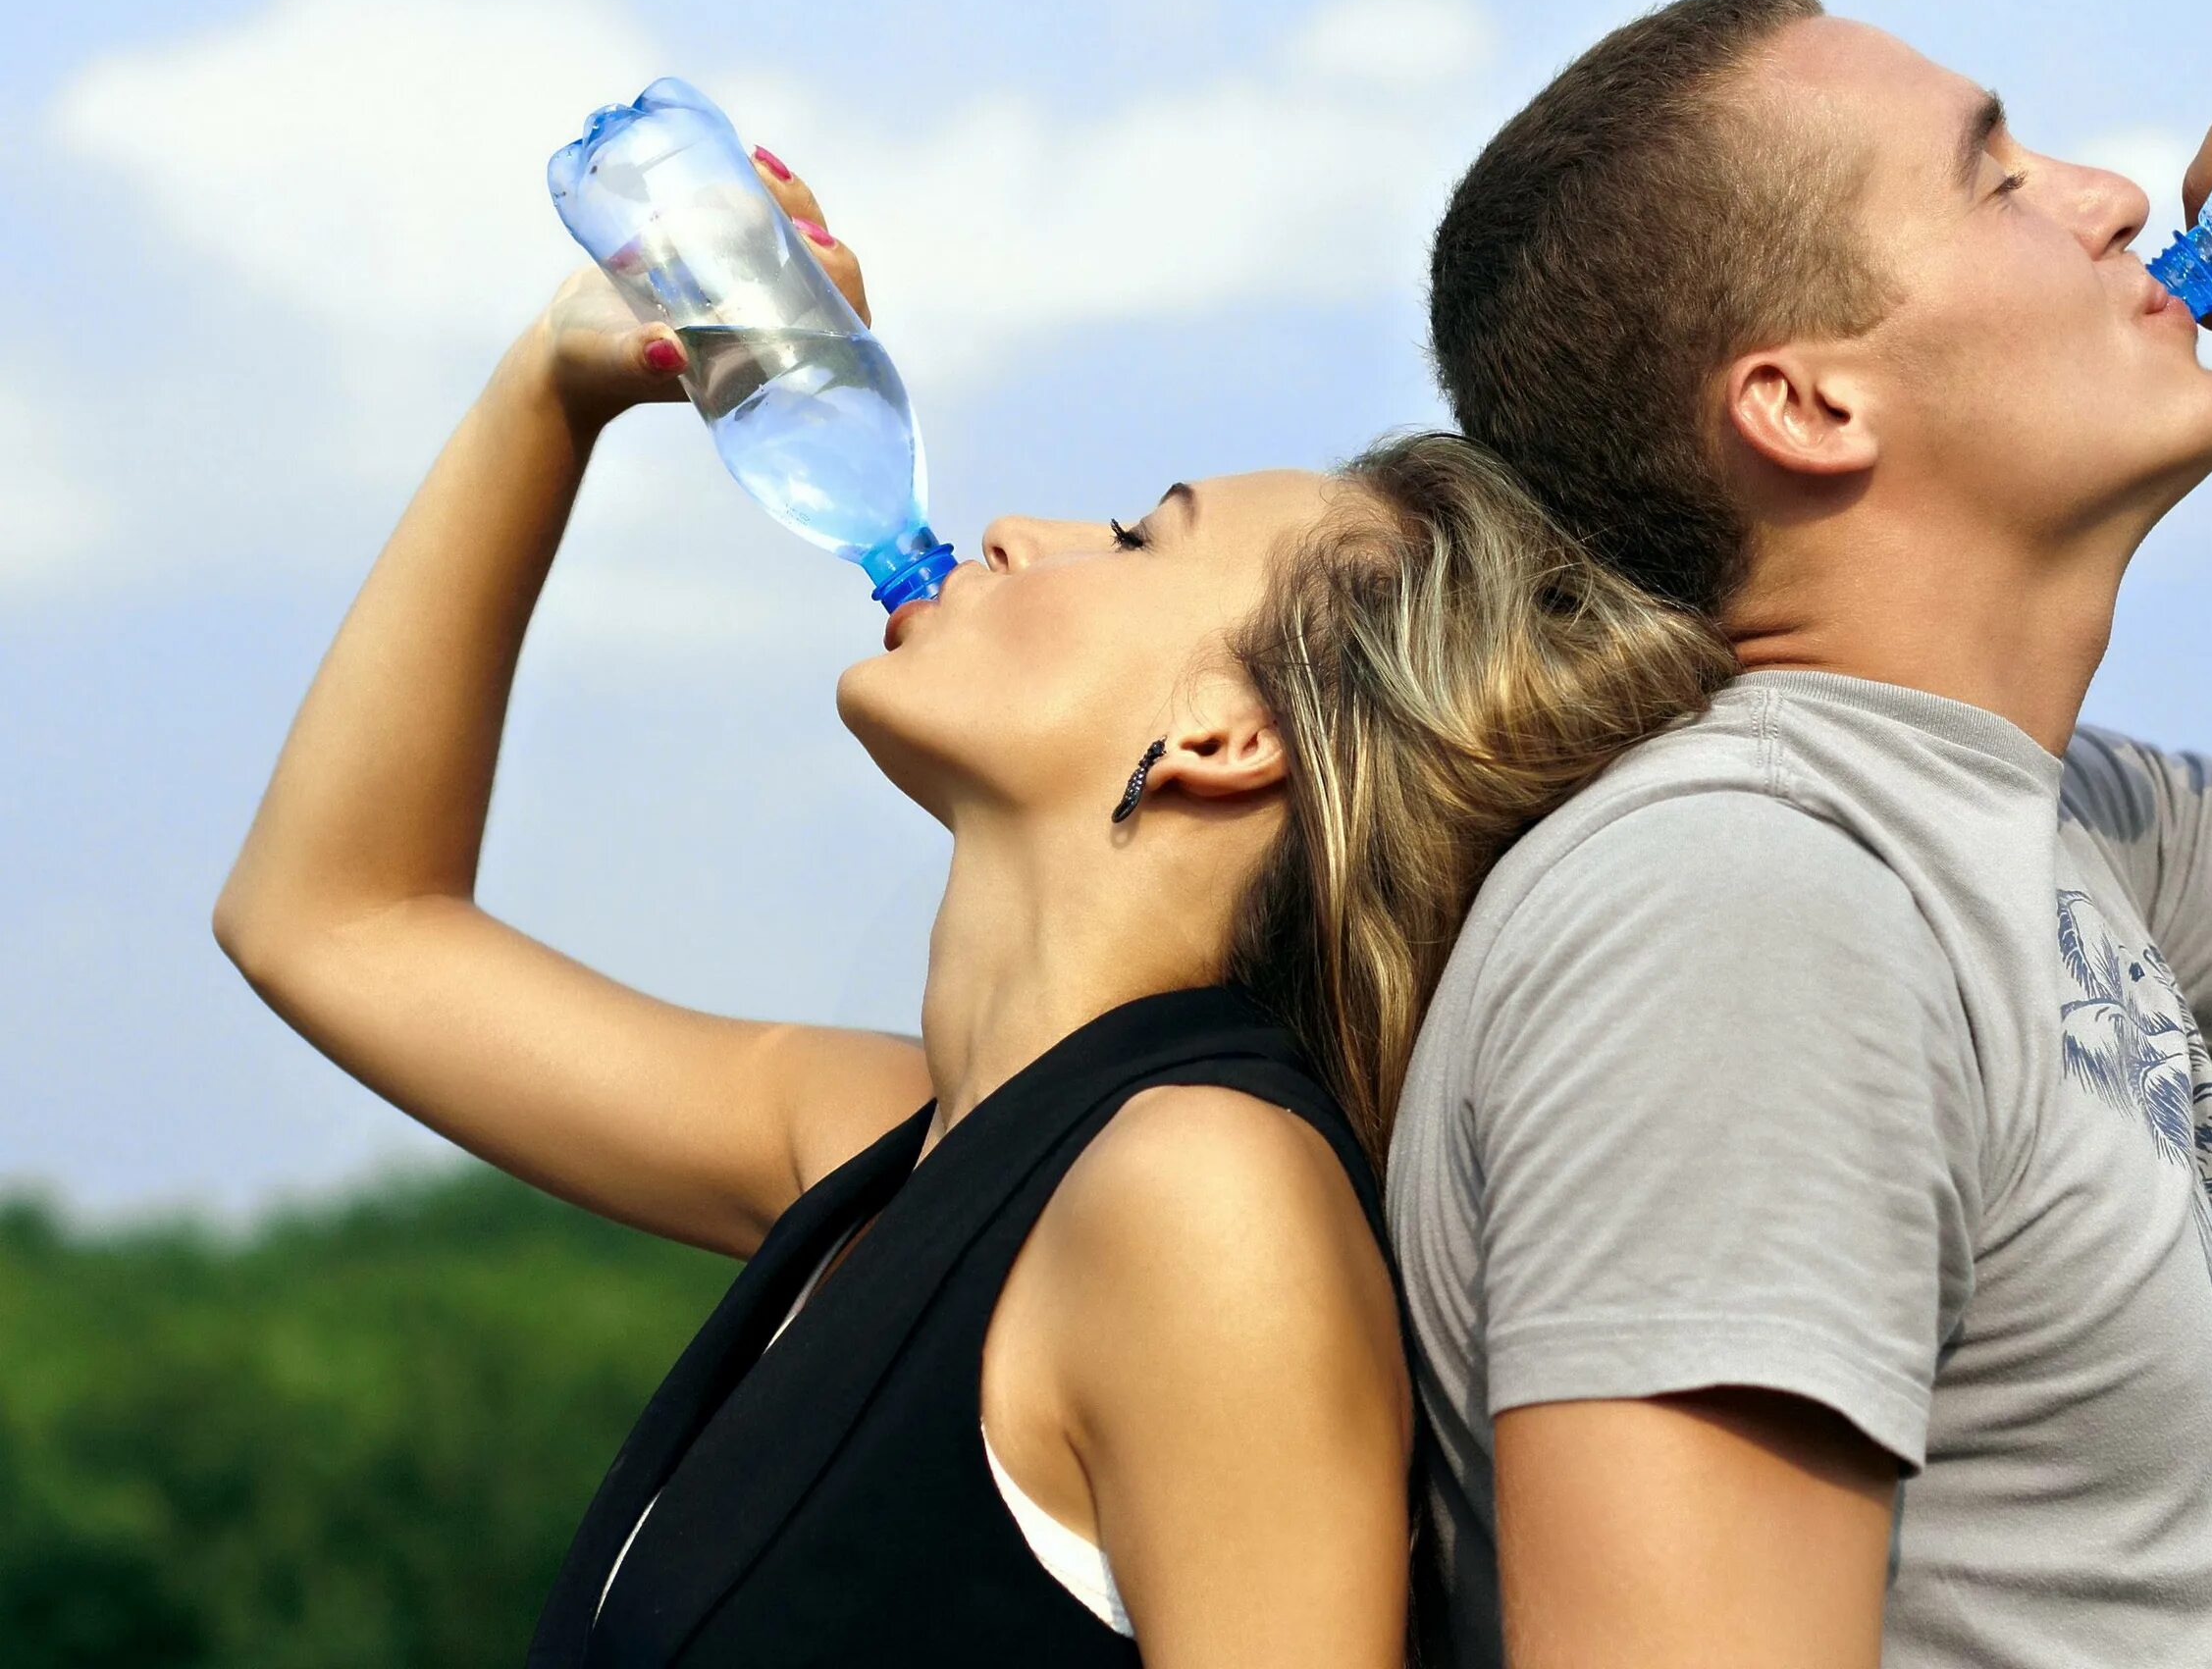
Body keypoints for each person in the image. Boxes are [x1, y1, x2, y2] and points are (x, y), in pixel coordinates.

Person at [211, 151, 1732, 1666]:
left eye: (1142, 536)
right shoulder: (886, 1150)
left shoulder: (1204, 1203)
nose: (1016, 529)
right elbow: (331, 919)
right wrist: (551, 389)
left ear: (1225, 737)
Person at [1390, 0, 2212, 1667]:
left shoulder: (2022, 831)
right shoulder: (1746, 913)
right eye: (1996, 176)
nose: (2118, 199)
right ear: (1806, 407)